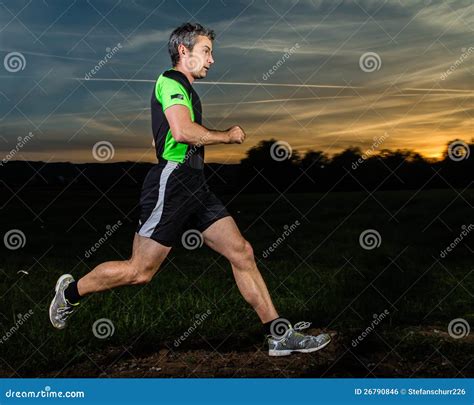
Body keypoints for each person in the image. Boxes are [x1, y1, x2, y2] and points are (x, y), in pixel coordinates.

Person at [49, 22, 331, 356]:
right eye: (206, 51)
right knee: (140, 272)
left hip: (195, 184)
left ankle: (277, 334)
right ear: (184, 51)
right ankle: (69, 294)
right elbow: (182, 132)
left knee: (241, 251)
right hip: (172, 182)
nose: (212, 60)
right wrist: (226, 135)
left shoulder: (187, 87)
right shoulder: (170, 81)